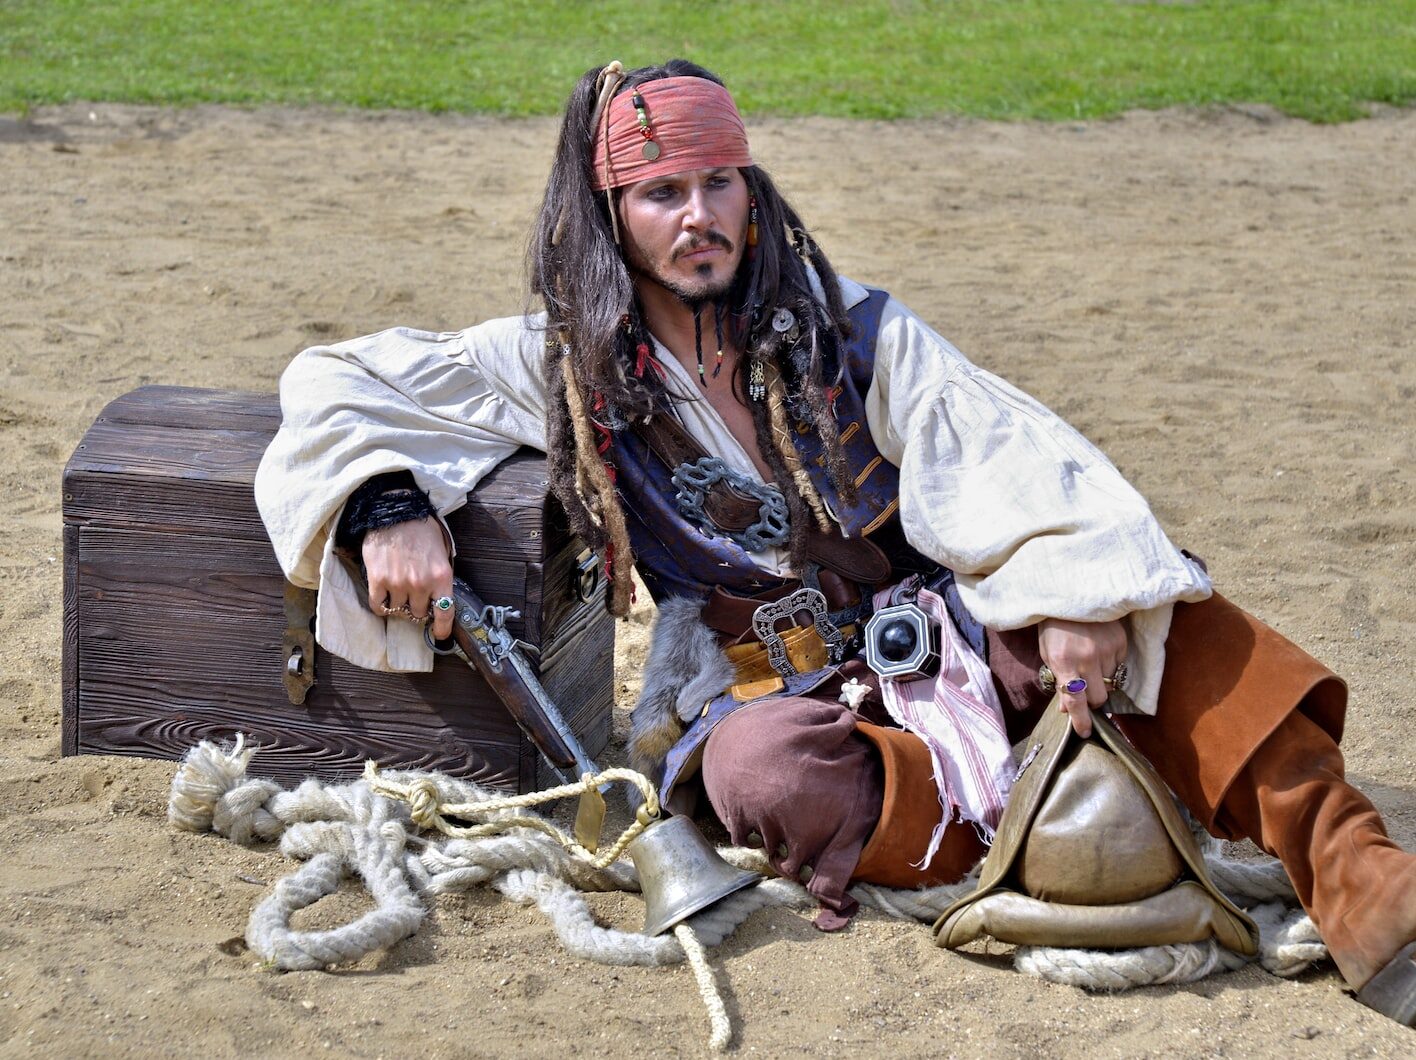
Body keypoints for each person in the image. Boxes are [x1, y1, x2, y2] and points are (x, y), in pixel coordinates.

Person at [255, 59, 1415, 1024]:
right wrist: (380, 505)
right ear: (610, 213)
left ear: (751, 190)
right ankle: (1034, 851)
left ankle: (1361, 882)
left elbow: (1008, 455)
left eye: (719, 183)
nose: (699, 216)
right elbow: (341, 381)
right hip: (766, 675)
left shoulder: (853, 330)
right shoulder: (563, 365)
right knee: (760, 775)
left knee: (1167, 616)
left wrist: (1073, 593)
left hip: (946, 631)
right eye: (663, 191)